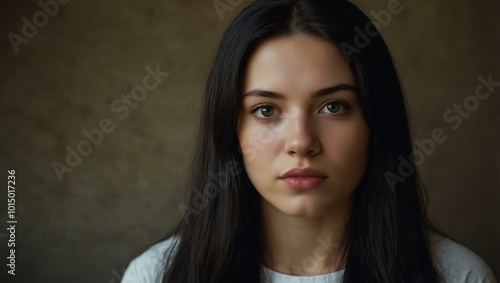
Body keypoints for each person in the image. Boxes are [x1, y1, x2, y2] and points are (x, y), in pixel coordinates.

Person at [122, 0, 498, 282]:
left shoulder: (458, 276)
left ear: (376, 122)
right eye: (266, 110)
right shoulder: (154, 276)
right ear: (230, 129)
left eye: (333, 106)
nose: (301, 142)